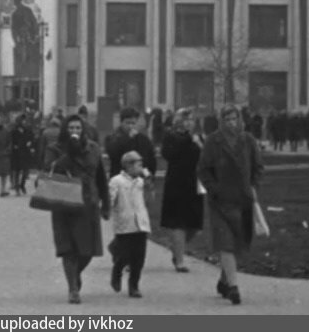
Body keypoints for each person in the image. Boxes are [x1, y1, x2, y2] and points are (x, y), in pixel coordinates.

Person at [197, 104, 264, 306]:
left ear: (240, 120)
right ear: (221, 121)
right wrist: (214, 189)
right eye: (227, 119)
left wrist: (253, 186)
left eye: (234, 119)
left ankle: (225, 280)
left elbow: (258, 167)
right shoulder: (213, 141)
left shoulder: (248, 140)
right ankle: (234, 288)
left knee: (239, 244)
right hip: (220, 201)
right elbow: (203, 170)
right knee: (225, 242)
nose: (231, 123)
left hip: (243, 199)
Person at [44, 114, 110, 305]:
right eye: (71, 128)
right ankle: (73, 288)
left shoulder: (93, 148)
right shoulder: (54, 148)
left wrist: (105, 203)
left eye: (78, 128)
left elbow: (100, 177)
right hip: (64, 202)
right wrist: (69, 154)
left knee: (87, 250)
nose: (75, 131)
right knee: (68, 248)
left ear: (83, 130)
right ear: (65, 130)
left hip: (88, 202)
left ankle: (75, 273)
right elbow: (49, 170)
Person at [160, 109, 205, 272]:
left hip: (195, 183)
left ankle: (177, 249)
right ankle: (179, 260)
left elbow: (206, 156)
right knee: (178, 222)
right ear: (178, 121)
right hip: (176, 183)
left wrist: (200, 144)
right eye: (185, 119)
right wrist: (187, 140)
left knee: (195, 225)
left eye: (191, 120)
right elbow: (169, 154)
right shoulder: (171, 136)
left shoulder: (198, 137)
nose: (189, 123)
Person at [108, 151, 152, 298]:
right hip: (125, 223)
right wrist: (108, 207)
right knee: (124, 254)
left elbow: (148, 201)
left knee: (139, 258)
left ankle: (134, 285)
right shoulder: (117, 181)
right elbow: (111, 199)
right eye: (139, 165)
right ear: (128, 166)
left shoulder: (141, 182)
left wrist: (149, 186)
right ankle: (117, 271)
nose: (141, 168)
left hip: (141, 223)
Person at [106, 108, 157, 180]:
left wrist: (149, 174)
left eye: (133, 123)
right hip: (120, 179)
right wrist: (127, 138)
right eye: (127, 123)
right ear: (121, 122)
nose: (130, 126)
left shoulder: (143, 139)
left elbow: (150, 159)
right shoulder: (112, 137)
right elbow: (113, 153)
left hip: (140, 179)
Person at [11, 112, 38, 196]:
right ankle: (17, 187)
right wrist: (14, 146)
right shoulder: (14, 131)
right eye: (23, 120)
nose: (24, 121)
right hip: (17, 153)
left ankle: (22, 185)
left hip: (26, 153)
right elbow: (11, 141)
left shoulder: (28, 130)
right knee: (17, 171)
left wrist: (31, 144)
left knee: (25, 171)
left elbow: (32, 139)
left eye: (25, 120)